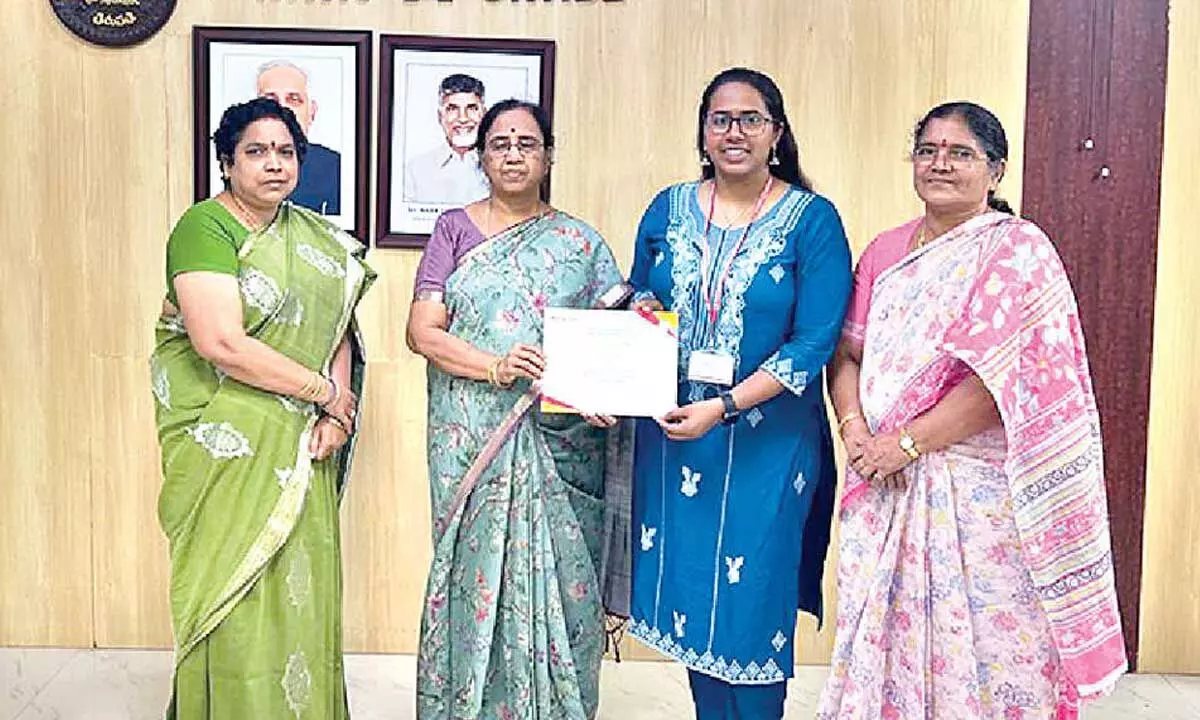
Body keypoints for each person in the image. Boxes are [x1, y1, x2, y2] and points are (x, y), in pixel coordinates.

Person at [816, 102, 1126, 719]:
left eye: (960, 153)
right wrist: (855, 431)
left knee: (991, 648)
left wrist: (905, 443)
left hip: (979, 493)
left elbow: (1004, 379)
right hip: (882, 480)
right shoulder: (885, 251)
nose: (940, 164)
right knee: (882, 636)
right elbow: (846, 354)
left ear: (996, 169)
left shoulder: (1018, 252)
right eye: (928, 151)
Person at [626, 67, 853, 719]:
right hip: (676, 440)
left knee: (752, 607)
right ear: (703, 133)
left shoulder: (812, 220)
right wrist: (637, 315)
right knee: (695, 605)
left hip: (767, 446)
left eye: (751, 119)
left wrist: (724, 406)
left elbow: (814, 342)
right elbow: (638, 293)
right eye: (721, 119)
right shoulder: (667, 208)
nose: (735, 132)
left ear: (776, 133)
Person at [151, 97, 374, 719]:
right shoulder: (204, 227)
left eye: (285, 152)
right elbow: (220, 343)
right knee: (234, 600)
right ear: (227, 162)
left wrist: (336, 416)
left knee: (302, 594)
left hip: (304, 445)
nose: (274, 163)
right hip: (226, 443)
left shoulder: (318, 242)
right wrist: (325, 394)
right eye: (256, 151)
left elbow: (337, 329)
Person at [406, 99, 627, 719]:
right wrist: (495, 366)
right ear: (481, 157)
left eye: (527, 143)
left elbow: (616, 332)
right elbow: (422, 331)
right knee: (476, 572)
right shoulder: (453, 230)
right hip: (472, 436)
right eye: (499, 144)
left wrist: (607, 391)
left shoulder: (581, 243)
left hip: (562, 444)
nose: (512, 154)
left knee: (566, 587)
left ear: (548, 157)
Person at [257, 59, 342, 215]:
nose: (282, 108)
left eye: (294, 100)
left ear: (312, 112)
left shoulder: (337, 168)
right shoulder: (236, 165)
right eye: (270, 100)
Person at [403, 73, 491, 206]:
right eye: (452, 109)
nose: (463, 118)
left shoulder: (501, 165)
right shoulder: (415, 171)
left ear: (484, 114)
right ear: (440, 116)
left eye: (472, 108)